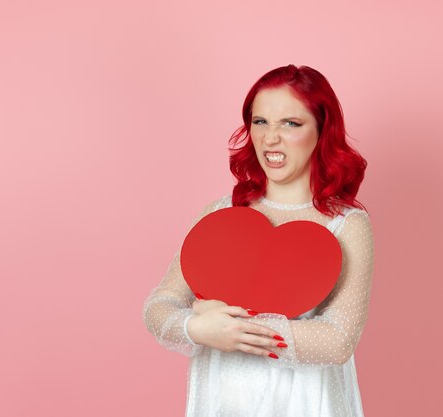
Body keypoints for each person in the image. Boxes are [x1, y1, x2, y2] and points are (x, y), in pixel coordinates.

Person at [142, 64, 375, 417]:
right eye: (260, 121)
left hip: (306, 404)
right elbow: (159, 307)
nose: (270, 138)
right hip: (221, 399)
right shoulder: (220, 213)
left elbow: (338, 340)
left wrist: (230, 330)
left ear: (322, 130)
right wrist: (196, 326)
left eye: (290, 124)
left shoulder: (347, 225)